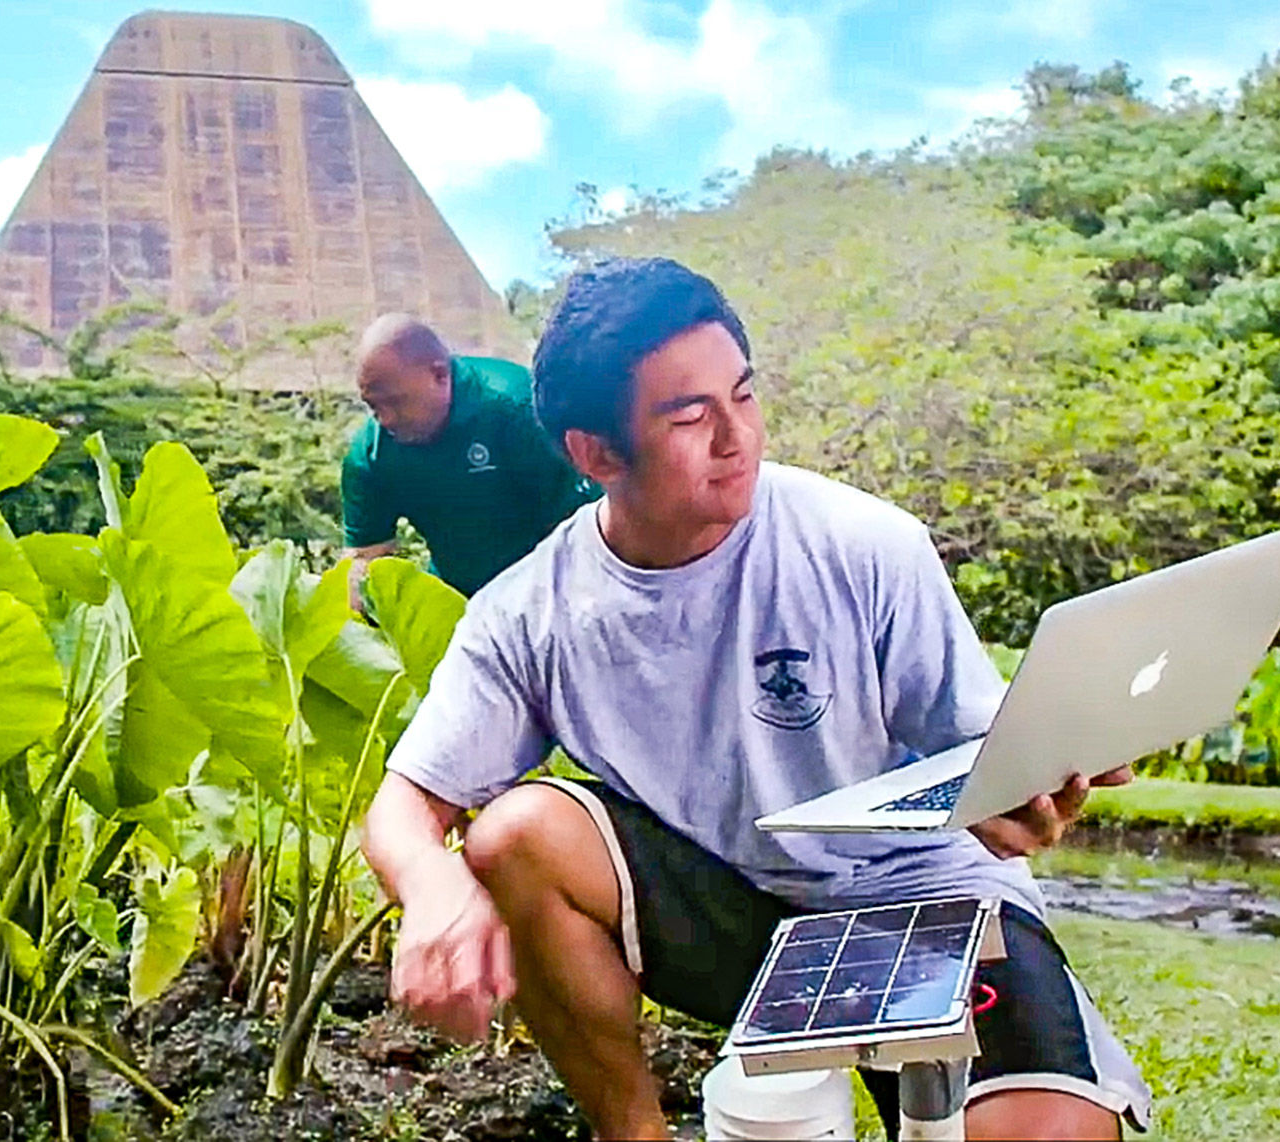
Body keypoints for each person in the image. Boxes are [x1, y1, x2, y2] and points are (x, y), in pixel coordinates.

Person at [358, 257, 1153, 1141]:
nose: (737, 436)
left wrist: (1015, 792)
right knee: (512, 833)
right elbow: (404, 805)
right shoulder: (530, 612)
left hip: (918, 897)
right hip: (732, 919)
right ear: (596, 453)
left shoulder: (863, 543)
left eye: (744, 394)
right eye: (692, 414)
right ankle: (635, 1132)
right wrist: (432, 889)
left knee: (1050, 1134)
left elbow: (971, 747)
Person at [339, 314, 599, 610]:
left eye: (396, 402)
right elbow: (364, 559)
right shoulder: (370, 455)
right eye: (373, 406)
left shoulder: (517, 409)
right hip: (459, 601)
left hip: (550, 592)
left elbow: (582, 532)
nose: (384, 419)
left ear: (439, 375)